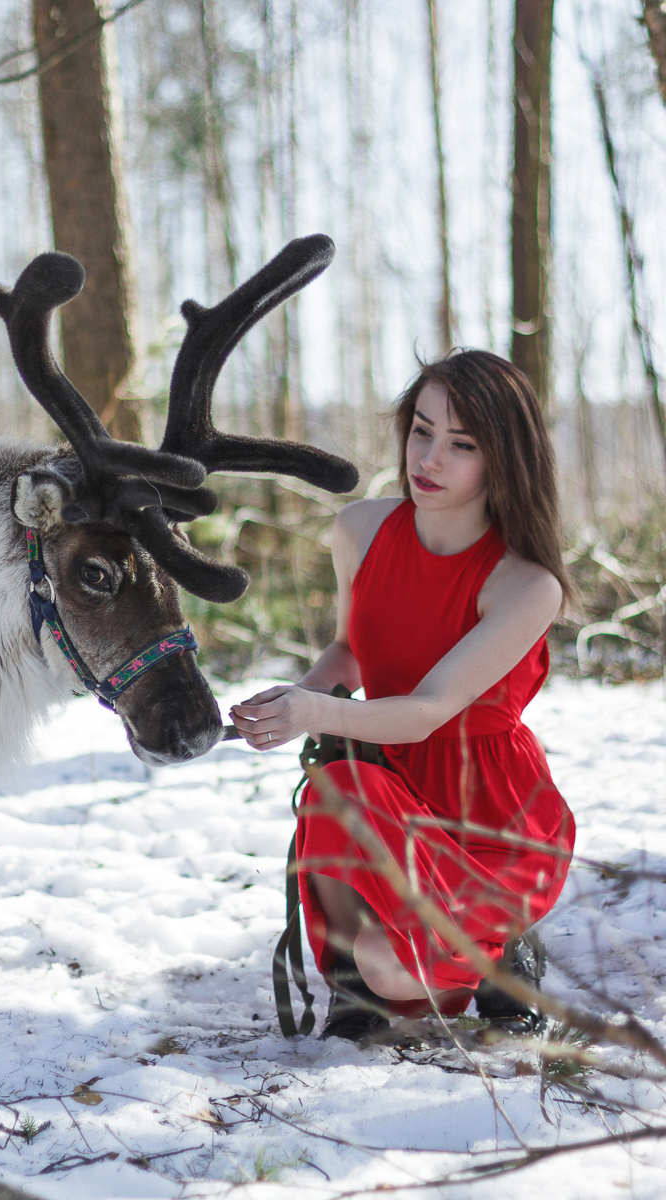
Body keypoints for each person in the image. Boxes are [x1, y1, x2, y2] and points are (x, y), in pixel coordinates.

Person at [230, 349, 576, 1042]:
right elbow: (354, 650)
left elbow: (425, 709)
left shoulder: (525, 585)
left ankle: (504, 952)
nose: (431, 458)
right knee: (339, 786)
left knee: (405, 972)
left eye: (462, 444)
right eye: (422, 430)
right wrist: (286, 704)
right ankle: (357, 986)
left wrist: (318, 711)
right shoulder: (360, 530)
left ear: (503, 458)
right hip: (386, 782)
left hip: (488, 815)